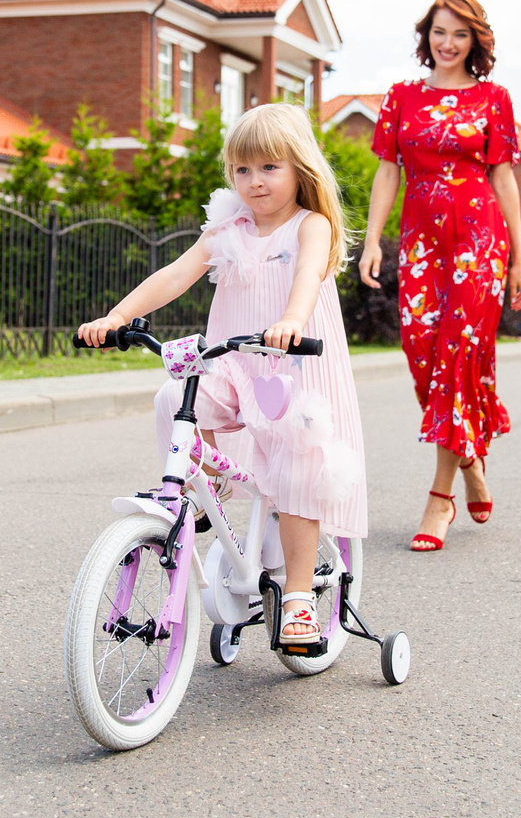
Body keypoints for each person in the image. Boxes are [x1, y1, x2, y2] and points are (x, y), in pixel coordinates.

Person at [79, 103, 368, 650]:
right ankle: (206, 483)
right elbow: (175, 274)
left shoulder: (311, 226)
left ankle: (301, 599)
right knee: (174, 397)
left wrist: (290, 320)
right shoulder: (228, 230)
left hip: (294, 373)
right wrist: (116, 316)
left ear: (299, 168)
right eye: (242, 170)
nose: (254, 182)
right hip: (234, 367)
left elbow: (308, 275)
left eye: (269, 168)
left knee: (300, 468)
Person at [355, 0, 521, 553]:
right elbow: (388, 172)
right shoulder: (402, 97)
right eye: (439, 32)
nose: (447, 43)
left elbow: (504, 179)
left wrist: (519, 261)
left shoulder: (493, 99)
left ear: (474, 40)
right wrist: (373, 241)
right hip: (421, 241)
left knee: (457, 354)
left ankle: (440, 498)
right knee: (421, 351)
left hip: (479, 238)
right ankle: (472, 458)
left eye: (459, 34)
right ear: (425, 36)